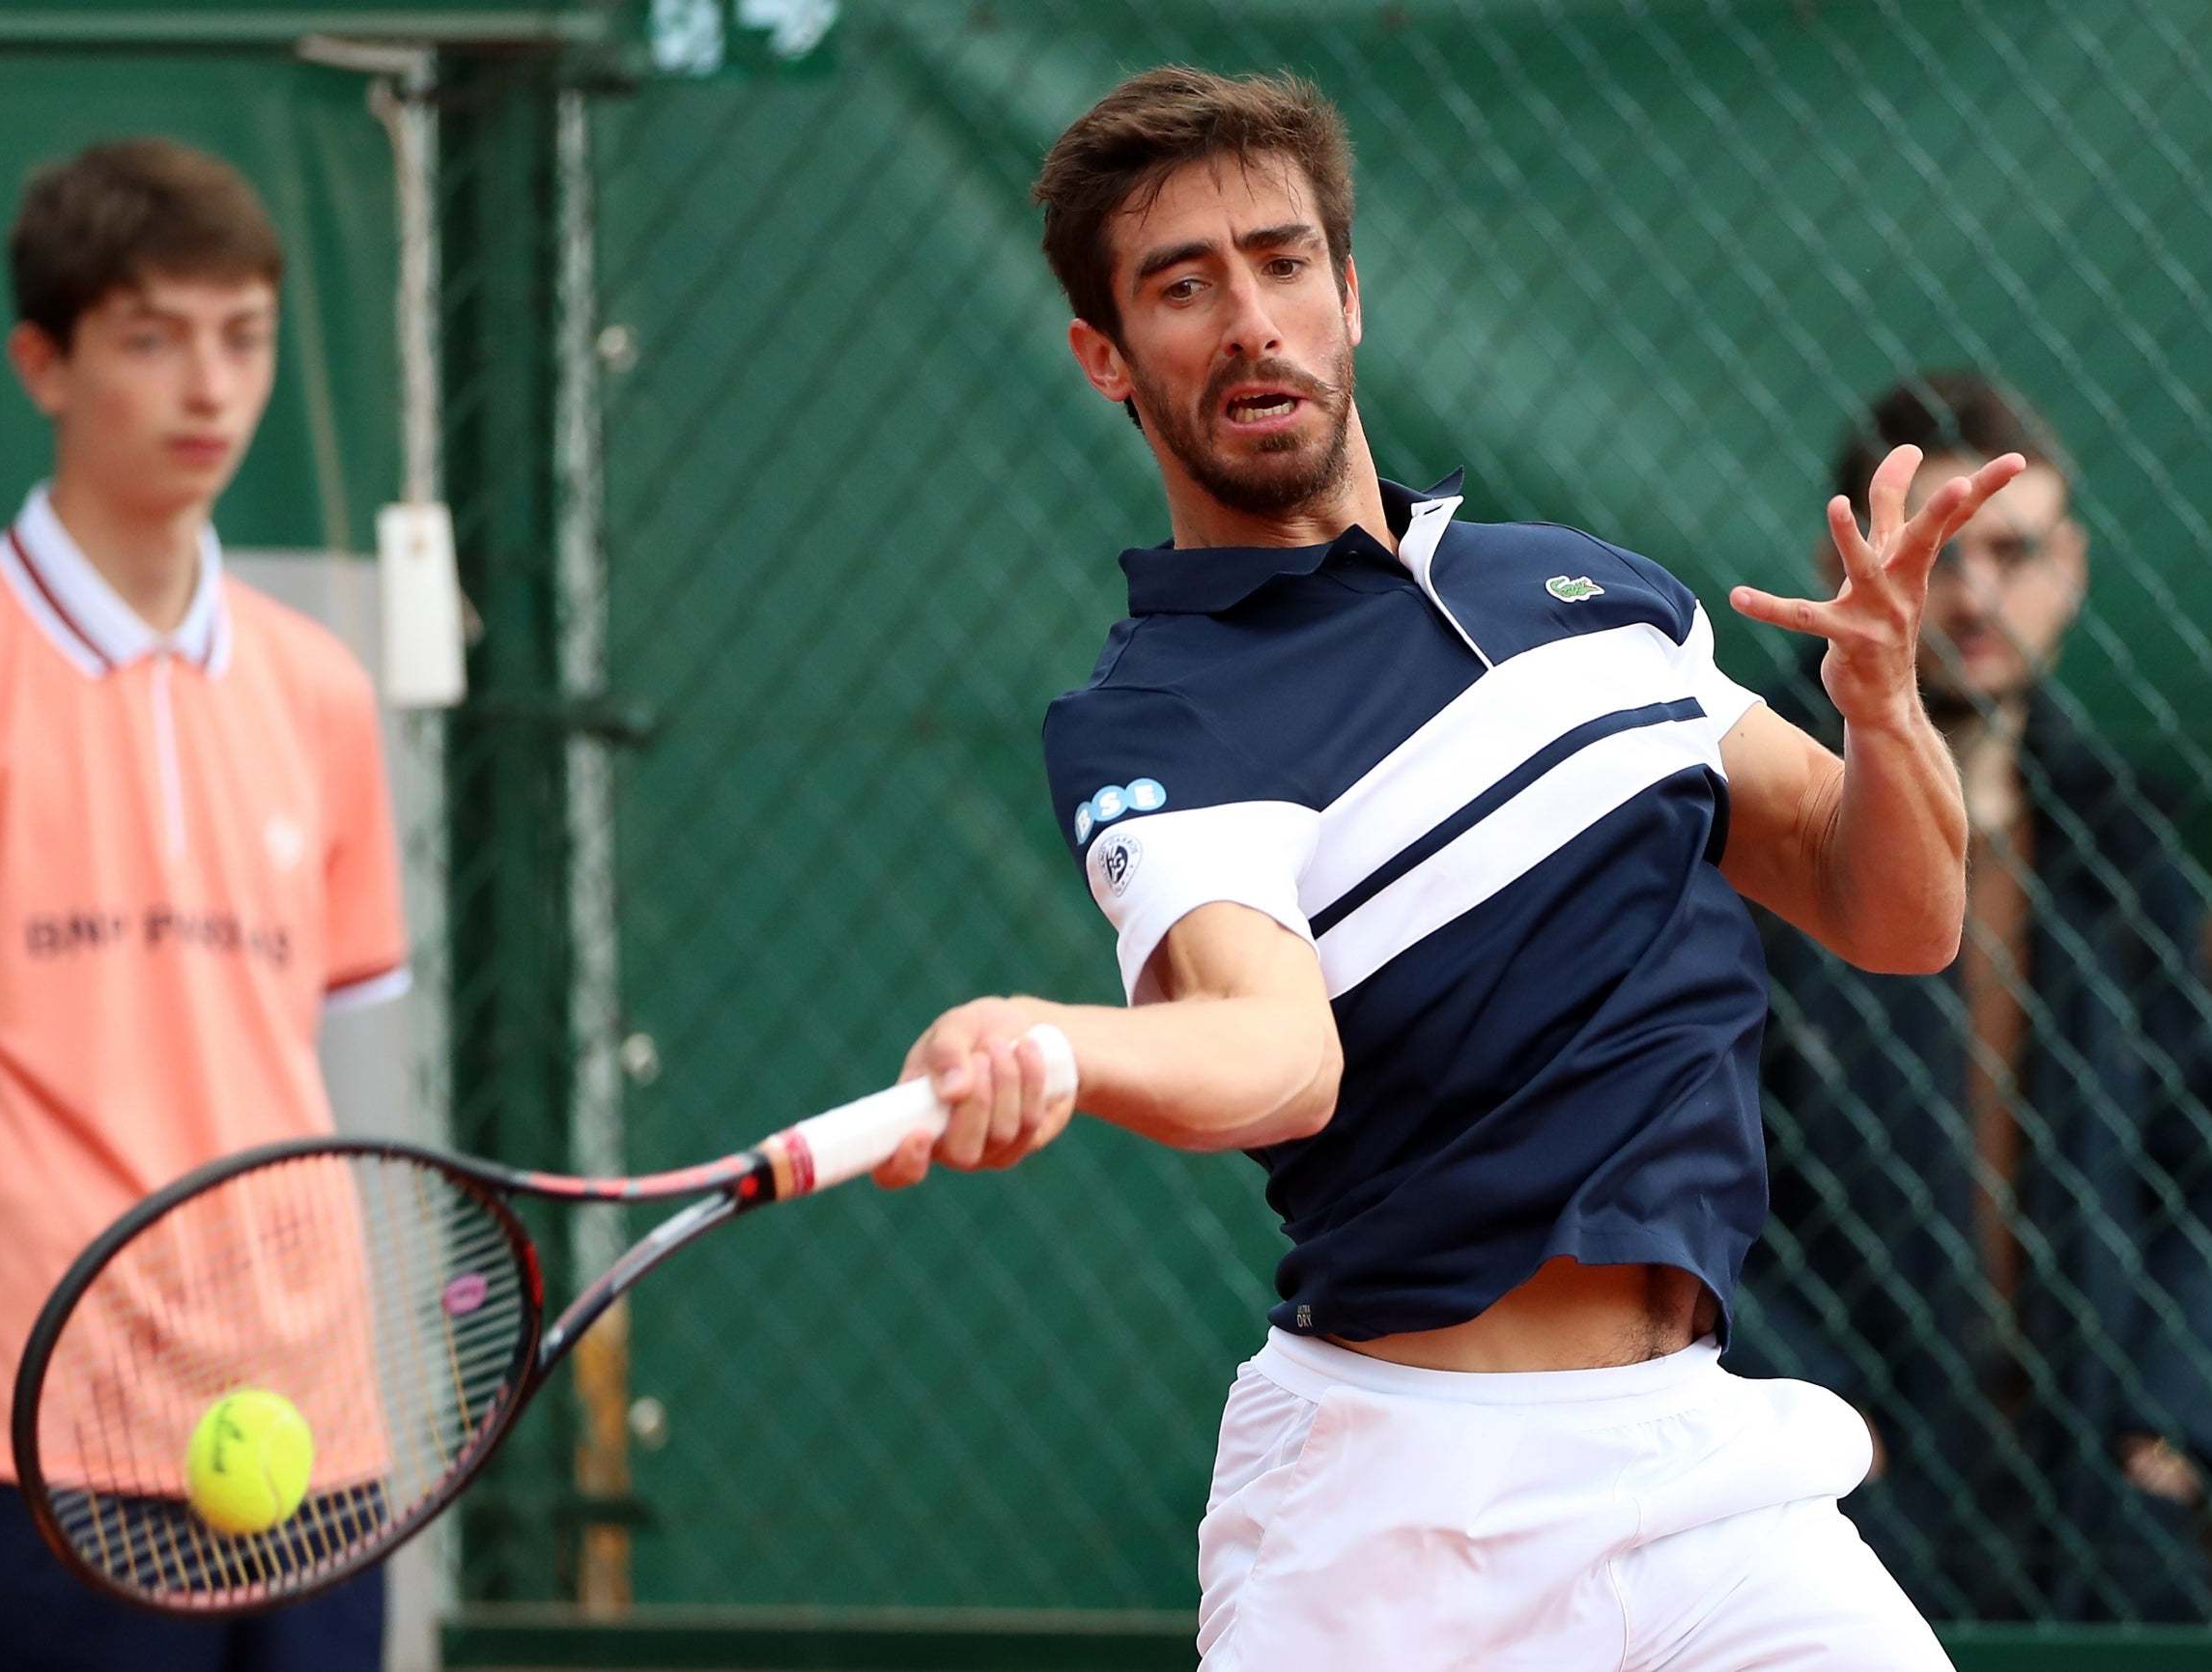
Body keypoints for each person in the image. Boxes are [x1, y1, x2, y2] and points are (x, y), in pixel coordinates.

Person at [871, 67, 2027, 1669]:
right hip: (1392, 1515)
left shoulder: (1599, 597)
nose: (1250, 321)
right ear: (1105, 358)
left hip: (1699, 1470)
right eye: (1182, 286)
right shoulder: (1158, 719)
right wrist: (1057, 1040)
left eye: (1282, 265)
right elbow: (1272, 1047)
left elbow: (1894, 916)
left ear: (1349, 296)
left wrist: (1888, 717)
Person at [0, 138, 407, 1669]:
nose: (208, 390)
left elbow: (349, 1065)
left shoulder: (322, 691)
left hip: (313, 1441)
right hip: (30, 1445)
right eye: (153, 339)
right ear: (47, 361)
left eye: (244, 339)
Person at [1737, 372, 2212, 1622]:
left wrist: (2172, 1418)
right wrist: (1808, 1410)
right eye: (1936, 552)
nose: (1973, 596)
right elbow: (1682, 1155)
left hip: (2107, 1482)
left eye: (2013, 551)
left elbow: (2198, 1158)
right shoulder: (1747, 837)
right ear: (1855, 570)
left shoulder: (2131, 854)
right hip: (1841, 1478)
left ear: (2076, 569)